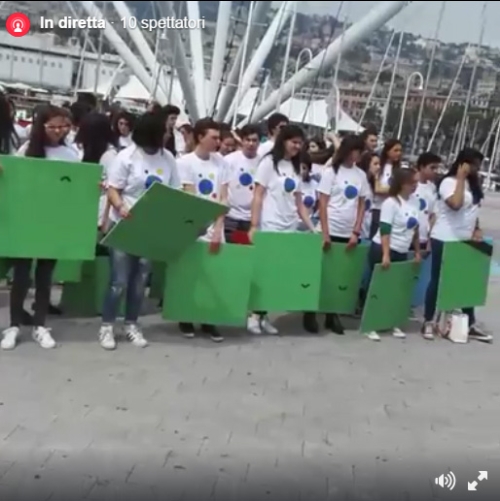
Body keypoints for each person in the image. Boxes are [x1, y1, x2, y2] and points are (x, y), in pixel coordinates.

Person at [99, 112, 181, 350]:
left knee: (140, 279)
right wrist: (120, 207)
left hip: (150, 228)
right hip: (124, 224)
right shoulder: (126, 157)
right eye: (165, 130)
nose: (168, 134)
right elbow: (113, 189)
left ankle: (131, 323)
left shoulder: (168, 158)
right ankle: (107, 325)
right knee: (119, 280)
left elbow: (174, 190)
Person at [1, 105, 79, 351]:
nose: (58, 131)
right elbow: (13, 179)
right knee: (21, 275)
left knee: (45, 276)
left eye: (63, 126)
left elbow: (77, 186)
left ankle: (39, 325)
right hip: (27, 221)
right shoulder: (27, 150)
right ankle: (14, 325)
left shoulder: (70, 154)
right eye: (52, 126)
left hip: (53, 223)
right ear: (41, 126)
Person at [248, 124, 315, 335]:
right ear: (283, 141)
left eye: (300, 143)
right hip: (270, 224)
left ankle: (265, 314)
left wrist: (311, 227)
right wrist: (254, 225)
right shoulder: (268, 163)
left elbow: (299, 201)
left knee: (277, 274)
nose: (297, 146)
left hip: (289, 226)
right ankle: (254, 314)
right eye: (294, 142)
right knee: (264, 272)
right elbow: (258, 195)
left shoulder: (296, 167)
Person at [422, 148, 492, 342]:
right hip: (444, 237)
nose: (476, 169)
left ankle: (469, 322)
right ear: (463, 164)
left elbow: (473, 210)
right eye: (474, 165)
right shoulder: (448, 183)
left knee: (466, 281)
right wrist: (460, 178)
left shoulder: (473, 184)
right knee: (438, 280)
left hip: (465, 238)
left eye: (478, 165)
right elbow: (456, 204)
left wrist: (477, 228)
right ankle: (428, 320)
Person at [177, 118, 229, 343]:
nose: (217, 142)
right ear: (200, 137)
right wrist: (196, 224)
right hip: (193, 226)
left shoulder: (221, 163)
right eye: (213, 137)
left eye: (219, 137)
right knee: (191, 274)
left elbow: (223, 197)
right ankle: (186, 316)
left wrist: (218, 227)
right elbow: (189, 197)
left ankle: (209, 320)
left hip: (215, 226)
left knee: (214, 274)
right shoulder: (185, 163)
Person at [316, 135, 368, 334]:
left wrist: (356, 231)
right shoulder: (331, 172)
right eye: (356, 150)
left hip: (348, 231)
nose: (358, 155)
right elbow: (322, 203)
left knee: (340, 274)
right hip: (331, 226)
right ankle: (311, 311)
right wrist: (325, 232)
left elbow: (362, 205)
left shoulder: (360, 175)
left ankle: (333, 314)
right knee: (323, 272)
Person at [363, 168, 421, 342]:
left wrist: (417, 251)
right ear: (402, 184)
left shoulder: (415, 203)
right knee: (379, 288)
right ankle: (371, 324)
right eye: (412, 183)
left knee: (395, 289)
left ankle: (391, 321)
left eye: (416, 183)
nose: (415, 186)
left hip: (402, 249)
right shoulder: (391, 203)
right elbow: (385, 229)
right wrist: (386, 254)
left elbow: (415, 229)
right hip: (384, 248)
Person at [74, 112, 118, 231]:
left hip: (97, 213)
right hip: (79, 206)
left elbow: (111, 189)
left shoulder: (110, 156)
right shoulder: (79, 150)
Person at [223, 124, 260, 242]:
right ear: (242, 141)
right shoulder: (229, 160)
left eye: (254, 140)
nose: (251, 144)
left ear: (259, 142)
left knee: (246, 248)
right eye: (248, 140)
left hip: (252, 219)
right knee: (229, 248)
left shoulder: (263, 163)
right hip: (231, 217)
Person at [370, 138, 402, 238]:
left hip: (392, 210)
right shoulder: (379, 166)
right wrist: (393, 190)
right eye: (395, 150)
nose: (399, 153)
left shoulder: (399, 170)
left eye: (400, 150)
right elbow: (377, 189)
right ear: (387, 151)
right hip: (377, 208)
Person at [358, 151, 381, 240]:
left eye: (379, 164)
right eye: (375, 164)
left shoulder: (371, 184)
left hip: (366, 228)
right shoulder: (359, 182)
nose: (378, 167)